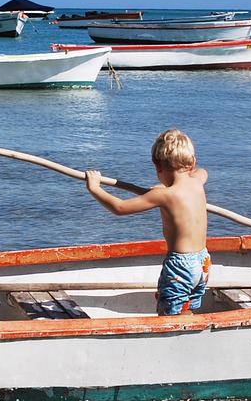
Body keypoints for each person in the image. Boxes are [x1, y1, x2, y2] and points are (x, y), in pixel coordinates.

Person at [85, 128, 210, 315]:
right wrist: (163, 188)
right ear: (192, 163)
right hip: (203, 262)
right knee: (185, 309)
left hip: (180, 265)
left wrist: (95, 188)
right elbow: (203, 171)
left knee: (169, 316)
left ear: (157, 165)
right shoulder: (197, 181)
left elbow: (119, 208)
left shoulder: (164, 195)